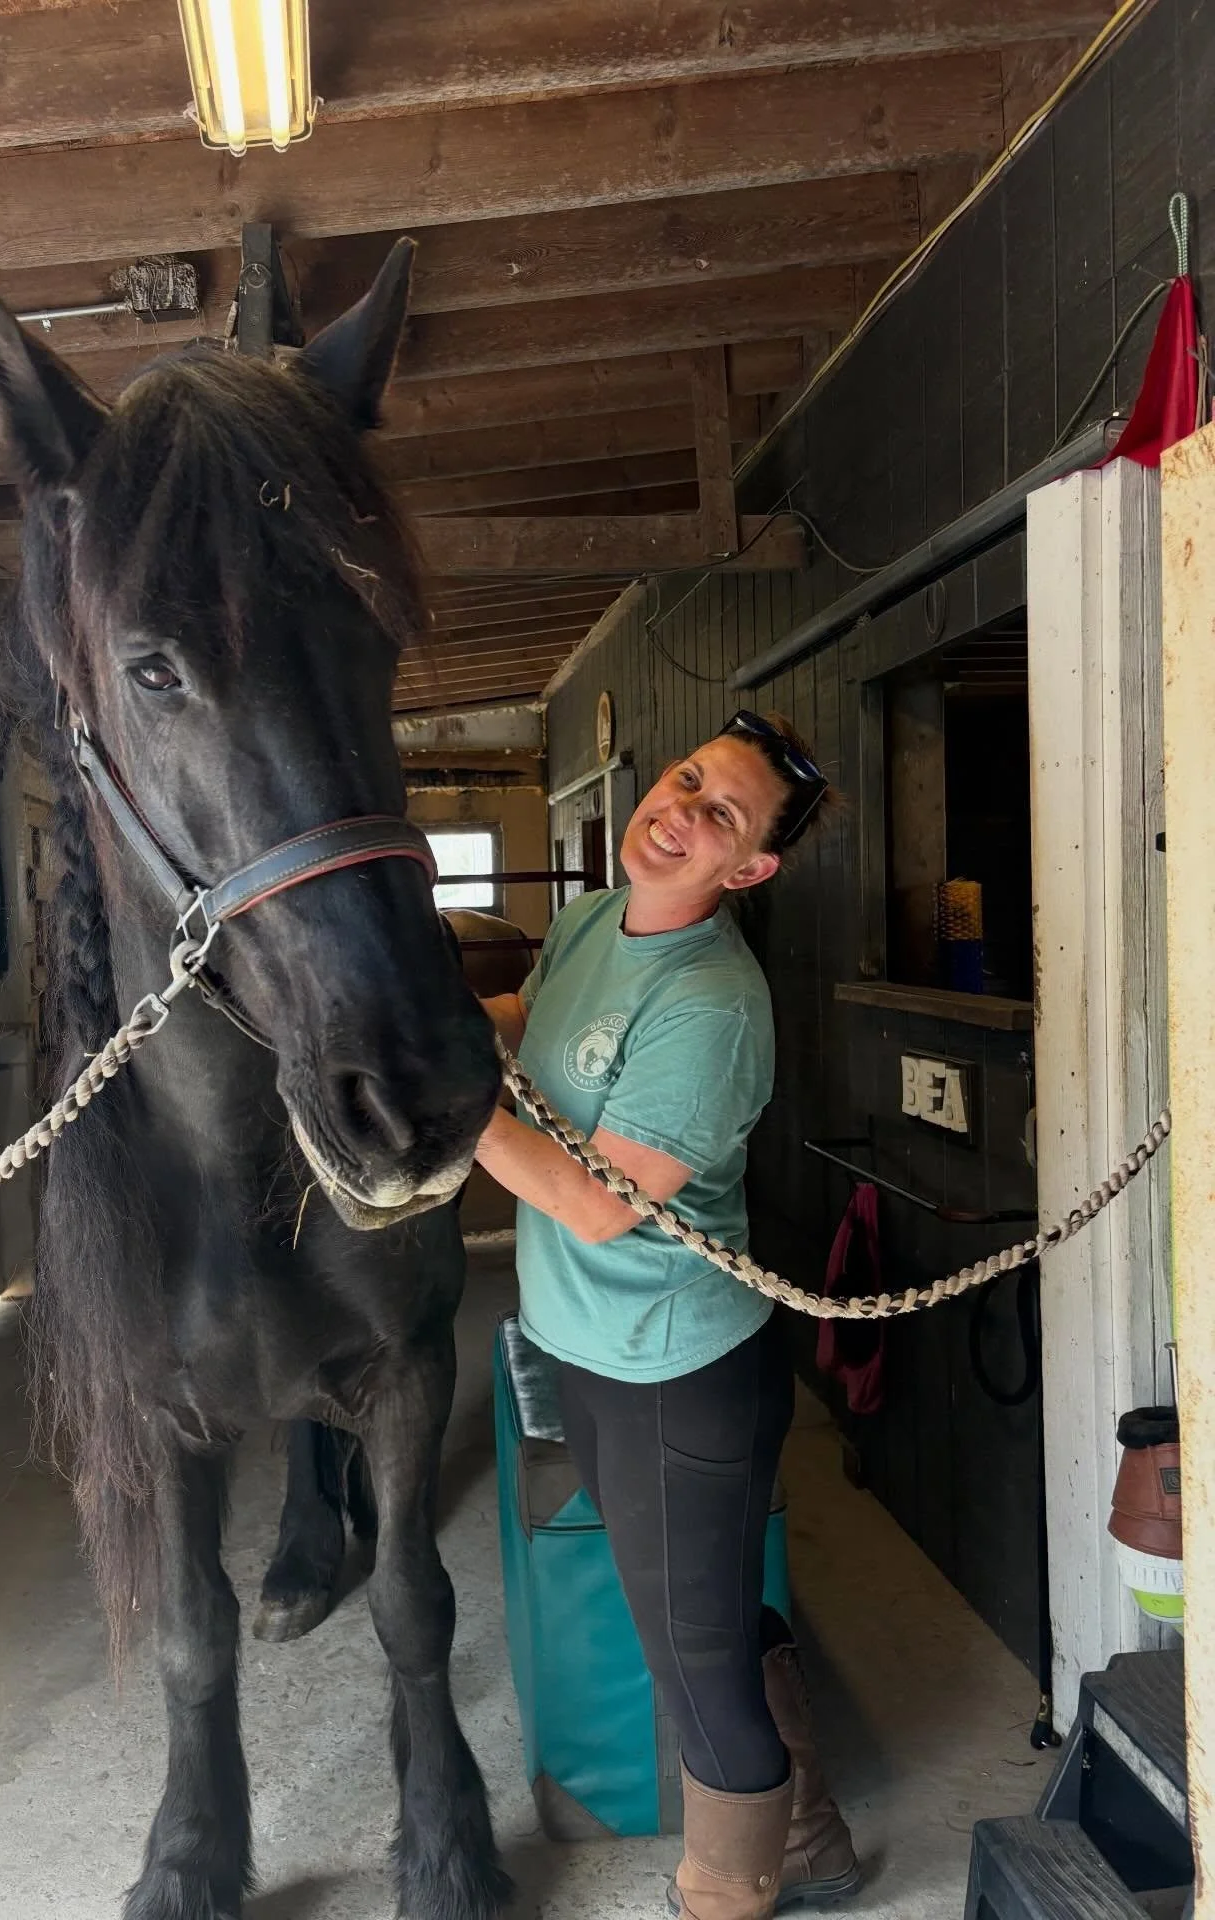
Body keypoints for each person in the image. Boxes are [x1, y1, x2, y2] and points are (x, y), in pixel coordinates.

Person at [477, 713, 860, 1920]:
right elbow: (524, 1031)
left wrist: (436, 1104)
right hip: (587, 1351)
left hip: (673, 1371)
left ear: (747, 869)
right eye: (690, 778)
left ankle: (727, 1892)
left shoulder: (714, 1005)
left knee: (692, 1673)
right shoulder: (595, 916)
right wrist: (418, 1018)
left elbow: (591, 1204)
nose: (683, 811)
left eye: (724, 815)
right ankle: (816, 1842)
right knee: (694, 1618)